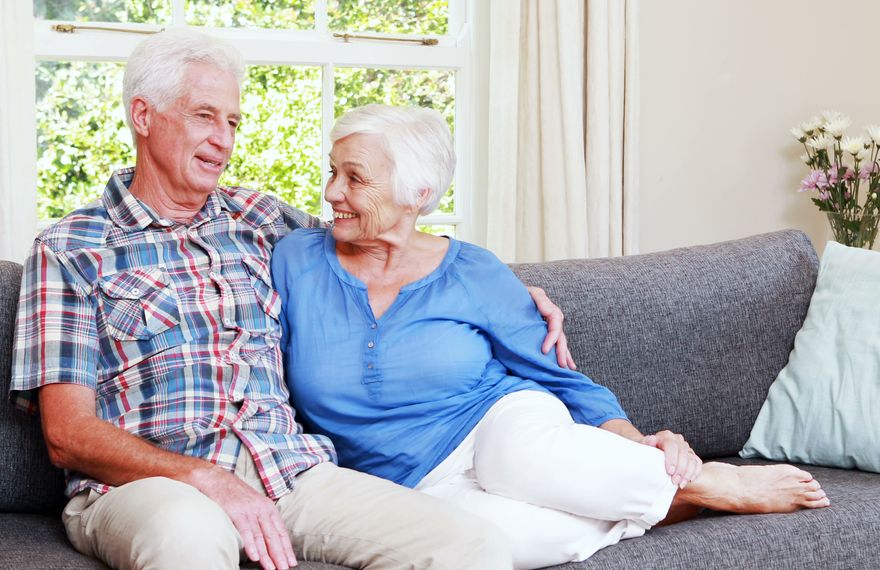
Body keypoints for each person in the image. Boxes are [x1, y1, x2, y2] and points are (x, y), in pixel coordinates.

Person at [10, 29, 573, 570]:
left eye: (231, 121)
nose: (224, 140)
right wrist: (202, 477)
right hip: (146, 488)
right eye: (204, 116)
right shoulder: (70, 249)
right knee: (189, 535)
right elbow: (68, 434)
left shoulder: (259, 220)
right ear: (143, 116)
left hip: (288, 473)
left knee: (470, 547)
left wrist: (501, 288)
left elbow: (380, 242)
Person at [272, 104, 832, 570]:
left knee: (513, 462)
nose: (330, 192)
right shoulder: (296, 257)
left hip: (496, 424)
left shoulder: (473, 272)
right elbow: (215, 206)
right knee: (504, 542)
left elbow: (559, 377)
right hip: (411, 483)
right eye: (332, 171)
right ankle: (667, 501)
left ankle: (713, 482)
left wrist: (635, 444)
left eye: (354, 178)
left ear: (417, 193)